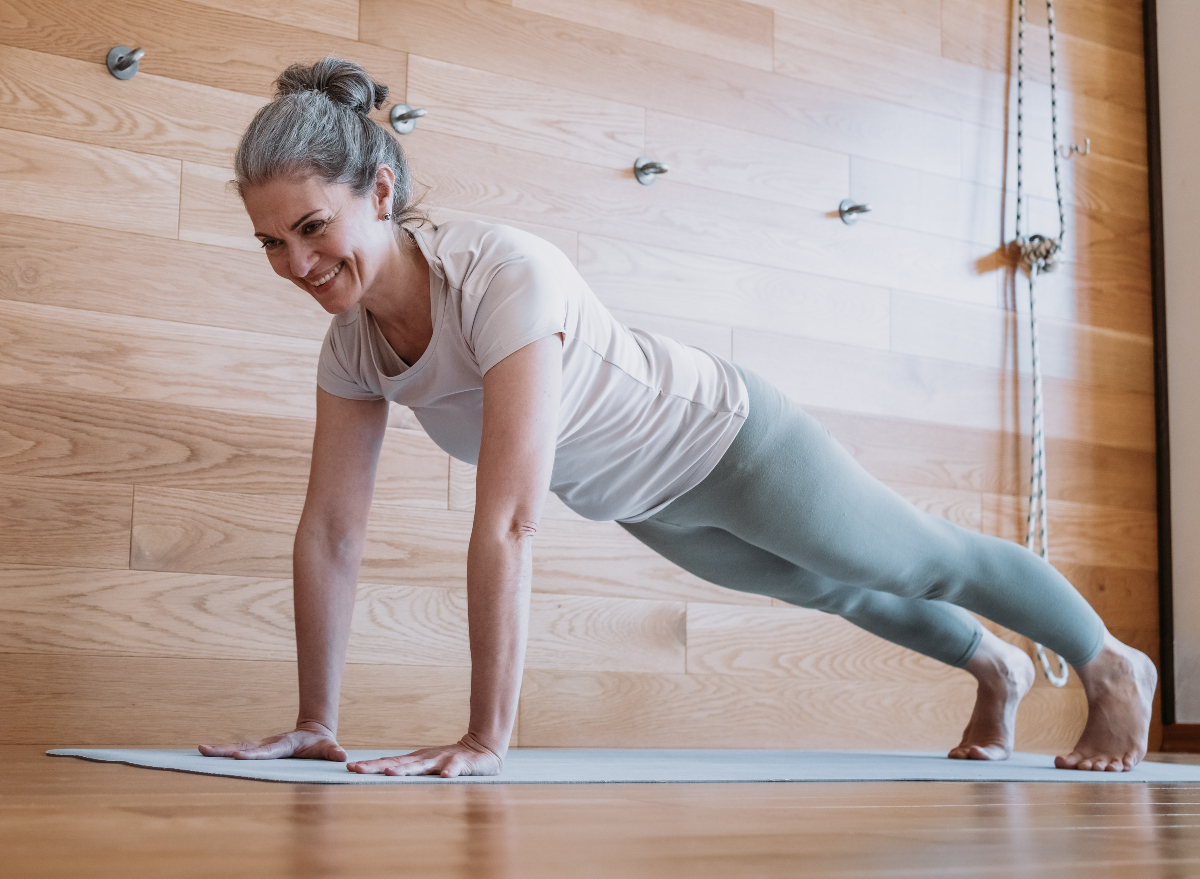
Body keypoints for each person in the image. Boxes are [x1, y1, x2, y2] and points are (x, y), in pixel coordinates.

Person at [199, 57, 1157, 778]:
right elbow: (330, 532)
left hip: (730, 441)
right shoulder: (354, 350)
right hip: (647, 499)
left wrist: (489, 736)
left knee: (913, 559)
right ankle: (993, 664)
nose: (295, 264)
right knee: (836, 591)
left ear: (379, 192)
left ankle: (1111, 664)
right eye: (270, 243)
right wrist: (315, 720)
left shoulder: (500, 275)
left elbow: (512, 520)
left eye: (312, 228)